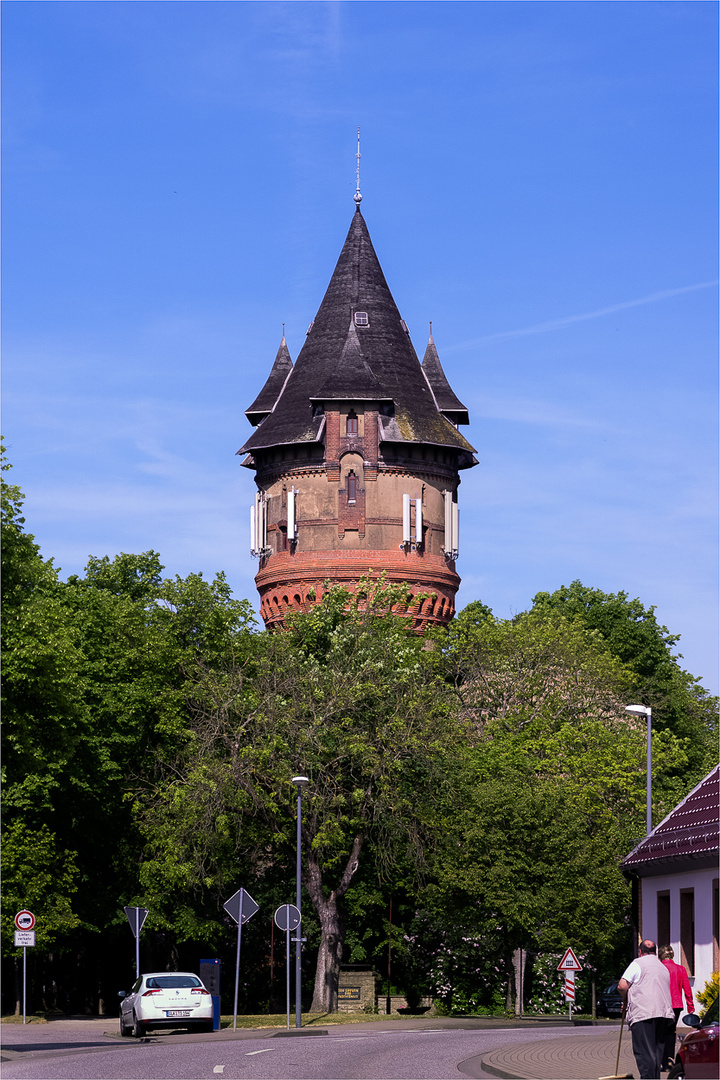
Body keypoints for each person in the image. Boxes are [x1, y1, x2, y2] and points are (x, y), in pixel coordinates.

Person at [618, 939, 674, 1079]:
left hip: (643, 1014)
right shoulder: (663, 967)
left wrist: (625, 1000)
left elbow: (622, 986)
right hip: (663, 1014)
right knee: (656, 1053)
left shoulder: (637, 963)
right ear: (655, 952)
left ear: (640, 951)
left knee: (645, 1054)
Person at [658, 944, 694, 1069]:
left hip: (661, 1004)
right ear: (672, 955)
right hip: (676, 1004)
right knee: (671, 1032)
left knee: (660, 1032)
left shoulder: (659, 968)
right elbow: (687, 989)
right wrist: (690, 1006)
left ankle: (661, 1060)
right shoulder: (681, 969)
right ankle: (669, 1059)